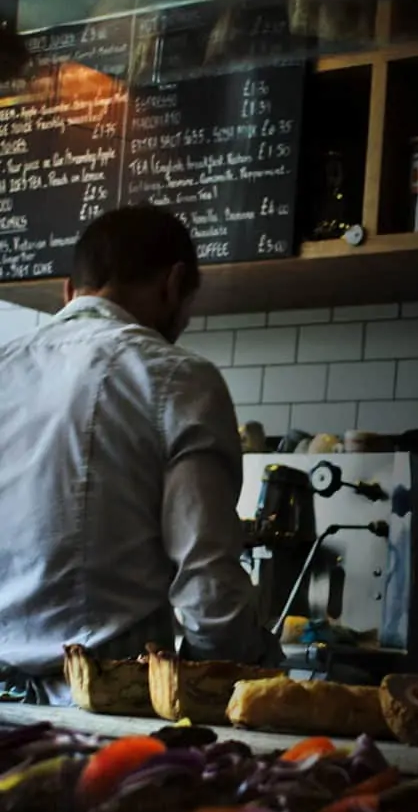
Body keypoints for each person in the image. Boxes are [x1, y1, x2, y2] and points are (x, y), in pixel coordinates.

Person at [0, 204, 281, 704]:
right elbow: (207, 582)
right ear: (173, 284)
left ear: (69, 290)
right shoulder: (178, 378)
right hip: (104, 708)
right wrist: (230, 675)